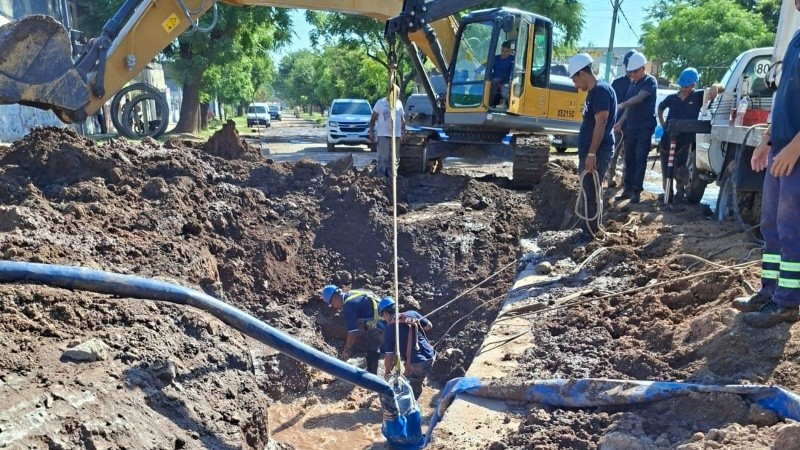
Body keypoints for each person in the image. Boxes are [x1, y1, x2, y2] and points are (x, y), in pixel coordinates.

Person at [731, 2, 800, 328]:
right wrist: (768, 139)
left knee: (792, 229)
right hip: (782, 148)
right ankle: (769, 292)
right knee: (771, 224)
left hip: (797, 154)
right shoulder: (797, 39)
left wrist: (794, 149)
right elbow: (785, 96)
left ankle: (787, 303)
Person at [567, 53, 617, 235]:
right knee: (589, 192)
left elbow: (601, 122)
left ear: (582, 74)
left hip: (598, 152)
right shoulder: (594, 93)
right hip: (592, 152)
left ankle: (590, 233)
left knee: (591, 193)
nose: (575, 84)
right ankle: (588, 230)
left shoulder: (601, 91)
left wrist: (591, 154)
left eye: (575, 79)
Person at [656, 67, 719, 202]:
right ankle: (667, 193)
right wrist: (663, 123)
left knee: (681, 169)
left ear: (693, 85)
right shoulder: (672, 98)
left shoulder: (697, 97)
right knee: (666, 168)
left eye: (688, 86)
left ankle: (680, 193)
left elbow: (719, 89)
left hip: (684, 142)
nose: (684, 89)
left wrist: (715, 87)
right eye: (683, 86)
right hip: (667, 139)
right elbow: (660, 108)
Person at [614, 52, 658, 204]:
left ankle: (636, 191)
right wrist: (620, 121)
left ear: (643, 68)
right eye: (631, 72)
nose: (632, 75)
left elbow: (639, 99)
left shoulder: (650, 81)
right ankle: (627, 189)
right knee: (629, 158)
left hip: (645, 127)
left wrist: (622, 104)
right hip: (631, 127)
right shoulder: (633, 84)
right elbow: (629, 106)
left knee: (640, 159)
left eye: (635, 72)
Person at [378, 297, 435, 399]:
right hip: (431, 356)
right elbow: (429, 326)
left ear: (386, 314)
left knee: (407, 392)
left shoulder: (390, 330)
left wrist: (387, 373)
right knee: (414, 378)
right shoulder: (412, 314)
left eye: (383, 316)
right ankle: (419, 382)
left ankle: (412, 406)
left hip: (418, 364)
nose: (384, 320)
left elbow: (389, 356)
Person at [321, 284, 385, 374]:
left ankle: (371, 379)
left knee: (371, 351)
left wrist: (346, 350)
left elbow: (353, 332)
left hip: (383, 322)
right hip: (384, 315)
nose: (333, 307)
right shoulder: (352, 293)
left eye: (331, 303)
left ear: (335, 298)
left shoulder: (348, 306)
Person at [607, 50, 636, 188]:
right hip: (617, 124)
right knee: (613, 152)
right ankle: (609, 177)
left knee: (629, 156)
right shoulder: (617, 83)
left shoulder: (638, 84)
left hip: (631, 125)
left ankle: (625, 181)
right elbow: (610, 103)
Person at [369, 84, 406, 179]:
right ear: (389, 94)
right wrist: (371, 132)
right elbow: (372, 119)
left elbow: (402, 119)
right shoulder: (380, 103)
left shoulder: (399, 103)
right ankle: (380, 178)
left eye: (397, 95)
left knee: (394, 159)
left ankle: (392, 178)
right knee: (382, 158)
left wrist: (403, 131)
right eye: (395, 94)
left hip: (396, 136)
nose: (396, 96)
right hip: (383, 135)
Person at [489, 40, 515, 108]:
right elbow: (487, 64)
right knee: (490, 85)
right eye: (503, 51)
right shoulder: (496, 58)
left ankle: (507, 105)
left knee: (504, 94)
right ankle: (490, 104)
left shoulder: (512, 59)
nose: (505, 53)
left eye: (507, 51)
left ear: (510, 51)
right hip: (494, 79)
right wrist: (479, 69)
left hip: (506, 80)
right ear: (501, 49)